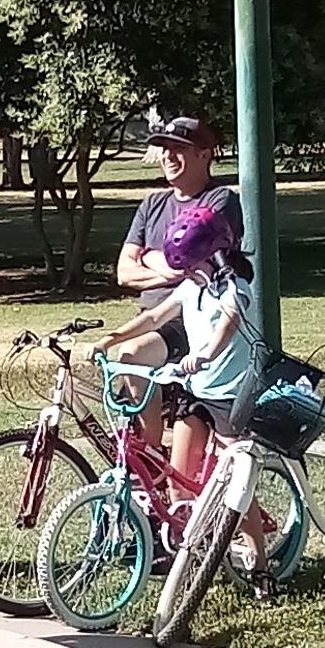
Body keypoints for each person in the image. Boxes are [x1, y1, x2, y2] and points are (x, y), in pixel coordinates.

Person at [95, 205, 274, 595]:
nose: (187, 273)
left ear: (214, 256)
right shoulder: (191, 287)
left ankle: (260, 562)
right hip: (198, 391)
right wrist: (113, 339)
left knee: (235, 485)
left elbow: (228, 323)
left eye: (193, 265)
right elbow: (155, 317)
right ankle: (196, 554)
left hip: (230, 395)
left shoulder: (233, 288)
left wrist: (205, 354)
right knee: (180, 480)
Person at [116, 117, 242, 446]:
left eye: (179, 149)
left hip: (189, 320)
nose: (168, 156)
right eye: (165, 149)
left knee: (131, 354)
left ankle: (151, 451)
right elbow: (123, 272)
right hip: (152, 318)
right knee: (113, 365)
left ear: (205, 155)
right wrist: (164, 265)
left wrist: (145, 256)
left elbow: (189, 266)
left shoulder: (219, 201)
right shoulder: (152, 204)